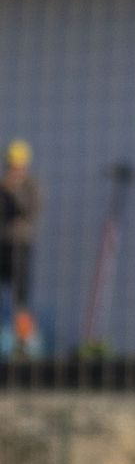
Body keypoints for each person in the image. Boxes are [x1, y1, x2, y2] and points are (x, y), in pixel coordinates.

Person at [0, 139, 40, 346]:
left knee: (20, 296)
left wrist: (13, 190)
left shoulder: (30, 186)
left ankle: (24, 339)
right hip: (2, 245)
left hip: (20, 245)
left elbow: (29, 211)